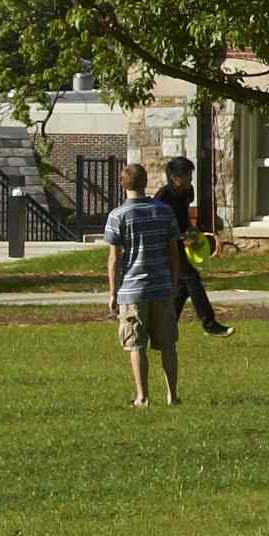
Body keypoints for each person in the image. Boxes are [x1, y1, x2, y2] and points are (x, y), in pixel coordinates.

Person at [103, 162, 186, 408]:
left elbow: (114, 258)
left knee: (135, 343)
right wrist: (172, 282)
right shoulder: (163, 211)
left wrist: (112, 292)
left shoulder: (118, 215)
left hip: (132, 290)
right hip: (161, 287)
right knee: (168, 344)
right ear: (145, 181)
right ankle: (172, 395)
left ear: (122, 184)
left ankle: (142, 396)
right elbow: (173, 252)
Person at [159, 152, 230, 338]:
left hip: (182, 241)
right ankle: (209, 323)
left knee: (183, 285)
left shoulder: (187, 192)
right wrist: (181, 237)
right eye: (188, 176)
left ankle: (166, 326)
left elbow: (185, 217)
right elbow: (160, 228)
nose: (191, 180)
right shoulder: (162, 198)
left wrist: (192, 231)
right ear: (175, 178)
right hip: (167, 245)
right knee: (192, 279)